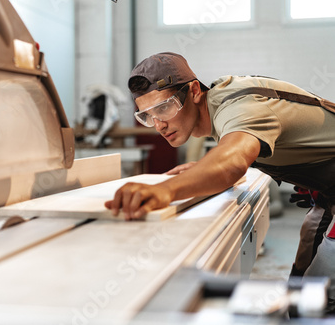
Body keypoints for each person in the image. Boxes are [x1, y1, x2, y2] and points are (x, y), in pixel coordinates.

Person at [104, 52, 335, 310]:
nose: (158, 124)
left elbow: (233, 161)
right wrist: (204, 171)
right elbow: (237, 154)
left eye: (164, 107)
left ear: (193, 91)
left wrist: (166, 189)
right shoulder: (219, 104)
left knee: (319, 298)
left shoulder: (237, 107)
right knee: (301, 280)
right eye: (147, 115)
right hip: (328, 195)